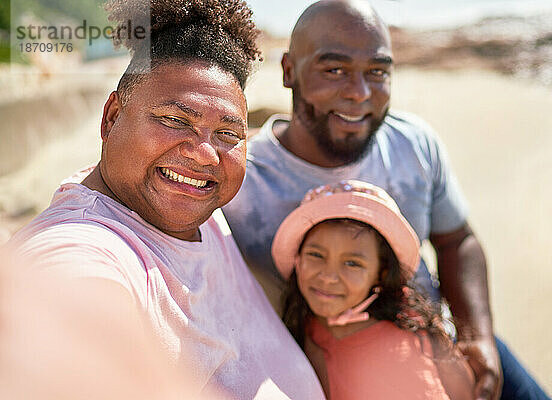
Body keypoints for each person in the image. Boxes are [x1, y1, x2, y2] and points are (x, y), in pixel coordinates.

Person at [222, 0, 551, 398]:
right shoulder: (239, 181)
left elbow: (456, 239)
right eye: (334, 69)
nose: (360, 93)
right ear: (289, 71)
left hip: (446, 340)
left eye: (377, 72)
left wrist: (476, 335)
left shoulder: (413, 143)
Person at [8, 0, 324, 398]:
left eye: (228, 134)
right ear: (111, 118)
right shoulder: (83, 247)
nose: (205, 154)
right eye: (175, 121)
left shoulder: (200, 211)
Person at [272, 180, 475, 399]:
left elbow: (465, 392)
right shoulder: (304, 337)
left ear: (382, 272)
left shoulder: (415, 322)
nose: (328, 277)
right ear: (298, 258)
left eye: (352, 263)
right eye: (316, 255)